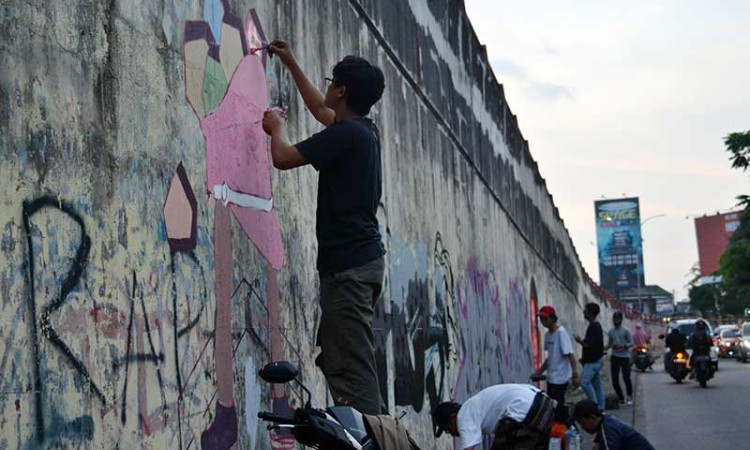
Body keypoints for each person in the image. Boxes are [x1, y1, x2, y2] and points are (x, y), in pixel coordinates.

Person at [263, 41, 386, 414]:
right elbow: (320, 107)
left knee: (349, 365)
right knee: (341, 356)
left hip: (349, 269)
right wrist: (291, 63)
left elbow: (282, 158)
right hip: (359, 264)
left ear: (343, 90)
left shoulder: (347, 136)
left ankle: (372, 436)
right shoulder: (363, 131)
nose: (328, 87)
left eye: (332, 81)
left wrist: (276, 127)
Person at [433, 384, 557, 450]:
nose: (453, 435)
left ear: (453, 418)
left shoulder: (464, 416)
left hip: (525, 412)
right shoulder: (475, 406)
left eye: (448, 430)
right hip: (545, 407)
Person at [533, 305, 578, 422]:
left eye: (545, 318)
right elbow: (551, 357)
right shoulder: (548, 335)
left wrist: (575, 375)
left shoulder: (561, 333)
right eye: (541, 319)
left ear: (553, 318)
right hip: (552, 378)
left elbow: (570, 355)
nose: (543, 321)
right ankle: (563, 429)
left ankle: (569, 428)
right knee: (554, 408)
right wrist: (539, 371)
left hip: (560, 378)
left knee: (558, 408)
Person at [573, 400, 655, 450]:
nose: (583, 428)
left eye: (583, 424)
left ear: (592, 417)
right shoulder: (605, 421)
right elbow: (596, 446)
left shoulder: (608, 431)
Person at [575, 303, 605, 411]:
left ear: (590, 313)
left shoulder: (593, 326)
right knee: (597, 385)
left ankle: (594, 406)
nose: (584, 312)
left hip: (593, 361)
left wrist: (579, 341)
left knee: (584, 382)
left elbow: (587, 344)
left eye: (586, 311)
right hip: (596, 360)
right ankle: (600, 407)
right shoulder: (595, 325)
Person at [605, 311, 634, 405]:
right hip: (615, 357)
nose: (615, 321)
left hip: (625, 357)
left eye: (617, 319)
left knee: (626, 377)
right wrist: (604, 348)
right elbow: (609, 344)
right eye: (614, 319)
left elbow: (631, 343)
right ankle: (621, 397)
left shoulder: (626, 331)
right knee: (614, 379)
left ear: (621, 320)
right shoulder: (610, 332)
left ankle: (629, 396)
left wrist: (624, 346)